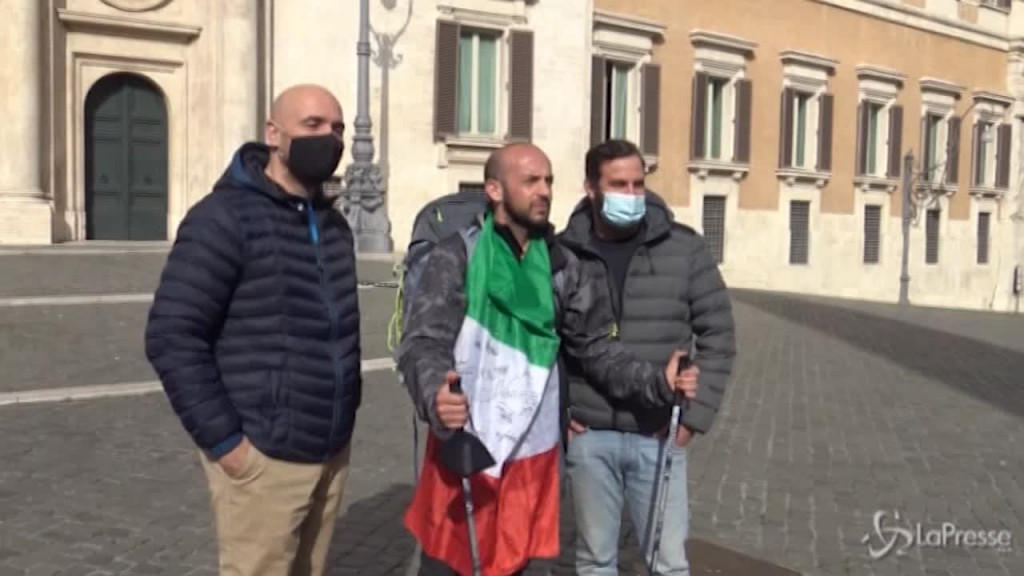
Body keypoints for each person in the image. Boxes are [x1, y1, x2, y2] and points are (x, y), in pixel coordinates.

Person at [397, 142, 696, 576]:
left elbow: (596, 348)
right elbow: (423, 342)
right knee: (451, 562)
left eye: (549, 181)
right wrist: (434, 394)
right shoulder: (455, 256)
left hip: (532, 458)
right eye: (531, 181)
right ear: (494, 190)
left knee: (521, 563)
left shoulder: (563, 266)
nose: (544, 191)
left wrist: (657, 381)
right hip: (464, 449)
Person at [145, 84, 360, 576]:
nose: (329, 138)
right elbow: (172, 335)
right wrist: (228, 445)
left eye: (338, 129)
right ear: (273, 134)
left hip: (329, 447)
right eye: (312, 125)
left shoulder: (334, 227)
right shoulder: (222, 218)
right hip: (263, 453)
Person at [559, 139, 737, 576]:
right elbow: (546, 341)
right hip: (589, 433)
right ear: (591, 188)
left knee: (668, 563)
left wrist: (693, 419)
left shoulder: (684, 248)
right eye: (619, 184)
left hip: (658, 433)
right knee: (594, 560)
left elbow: (718, 334)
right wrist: (558, 412)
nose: (632, 194)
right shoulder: (562, 252)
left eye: (638, 184)